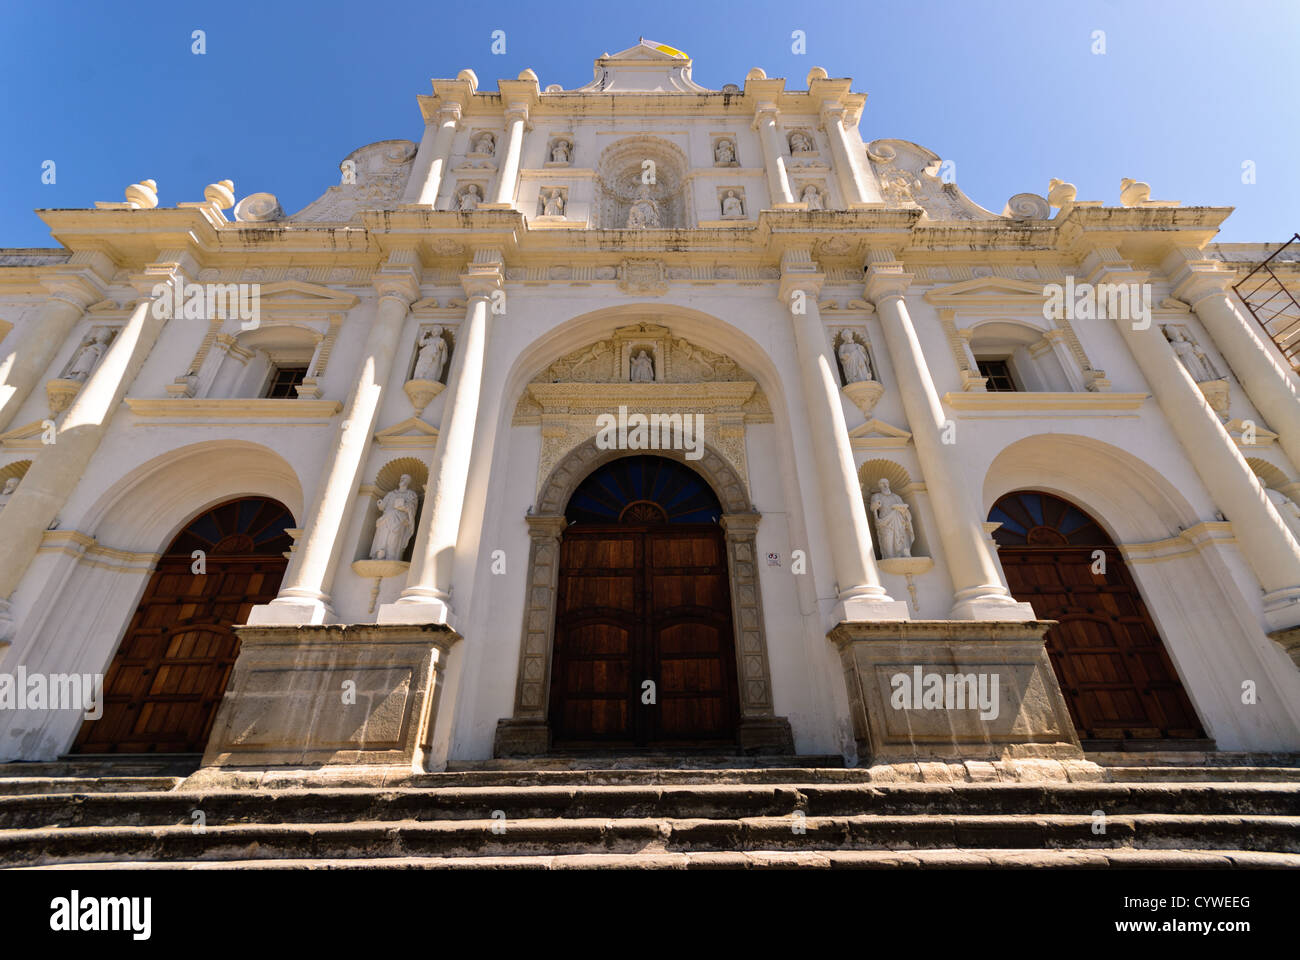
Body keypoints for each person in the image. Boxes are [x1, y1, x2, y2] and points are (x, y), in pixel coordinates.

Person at [369, 475, 419, 561]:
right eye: (401, 478)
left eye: (405, 478)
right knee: (383, 535)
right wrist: (380, 503)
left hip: (400, 520)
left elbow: (412, 508)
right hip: (386, 518)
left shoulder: (411, 494)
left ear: (408, 482)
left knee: (394, 537)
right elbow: (383, 506)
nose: (402, 479)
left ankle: (392, 556)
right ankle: (379, 553)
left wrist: (403, 506)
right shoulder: (391, 494)